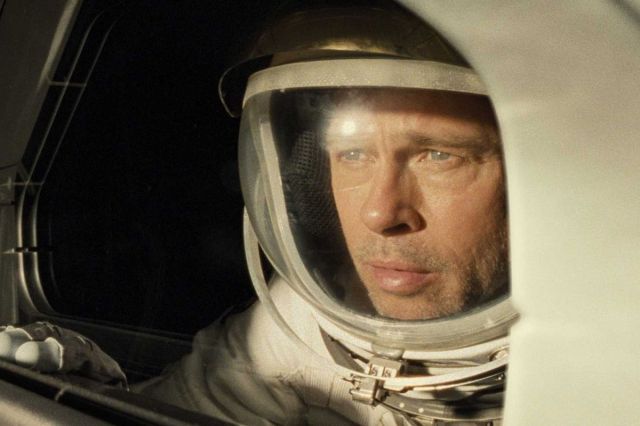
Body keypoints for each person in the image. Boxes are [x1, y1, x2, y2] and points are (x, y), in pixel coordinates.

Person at [0, 1, 517, 424]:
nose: (380, 213)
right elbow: (182, 411)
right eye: (353, 154)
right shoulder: (309, 315)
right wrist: (93, 395)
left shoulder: (571, 359)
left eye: (440, 156)